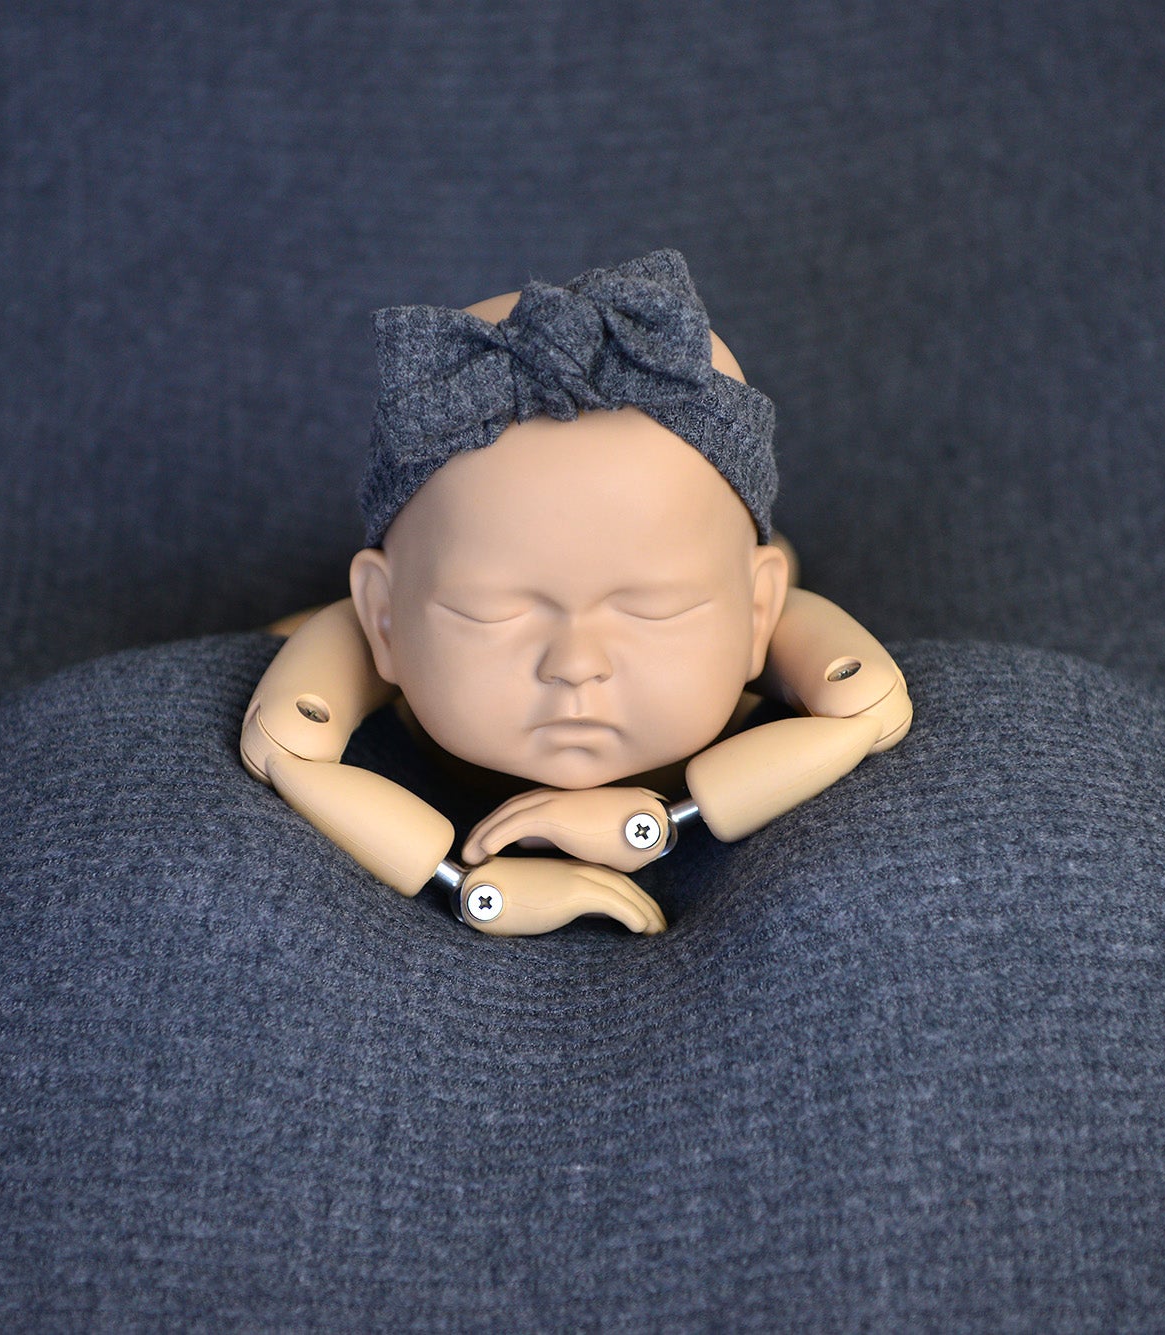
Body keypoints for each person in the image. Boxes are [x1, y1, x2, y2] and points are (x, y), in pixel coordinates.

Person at [241, 251, 910, 935]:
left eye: (654, 607)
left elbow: (865, 703)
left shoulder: (761, 611)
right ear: (384, 617)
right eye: (492, 609)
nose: (575, 663)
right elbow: (285, 748)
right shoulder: (366, 628)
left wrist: (644, 821)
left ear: (757, 610)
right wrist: (476, 883)